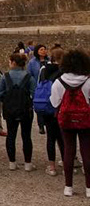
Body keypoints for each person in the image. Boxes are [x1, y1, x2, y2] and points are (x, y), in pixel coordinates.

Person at [49, 49, 90, 197]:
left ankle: (68, 186)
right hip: (85, 119)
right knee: (86, 151)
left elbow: (54, 102)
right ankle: (89, 188)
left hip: (66, 120)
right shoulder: (88, 80)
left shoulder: (59, 82)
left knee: (68, 150)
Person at [0, 53, 35, 171]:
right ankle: (28, 163)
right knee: (26, 136)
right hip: (25, 110)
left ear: (13, 62)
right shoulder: (29, 77)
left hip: (10, 109)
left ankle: (12, 162)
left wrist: (8, 100)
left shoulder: (5, 76)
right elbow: (34, 93)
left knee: (11, 135)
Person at [37, 47, 65, 176]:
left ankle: (52, 166)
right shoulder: (65, 71)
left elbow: (40, 85)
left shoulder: (44, 69)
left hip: (48, 106)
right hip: (61, 107)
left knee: (50, 138)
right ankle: (66, 164)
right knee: (63, 138)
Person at [28, 44, 50, 135]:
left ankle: (48, 123)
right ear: (37, 51)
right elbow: (30, 75)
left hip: (48, 86)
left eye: (44, 49)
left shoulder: (49, 61)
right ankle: (41, 126)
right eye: (41, 49)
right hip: (38, 87)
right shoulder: (32, 62)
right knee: (39, 105)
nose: (43, 51)